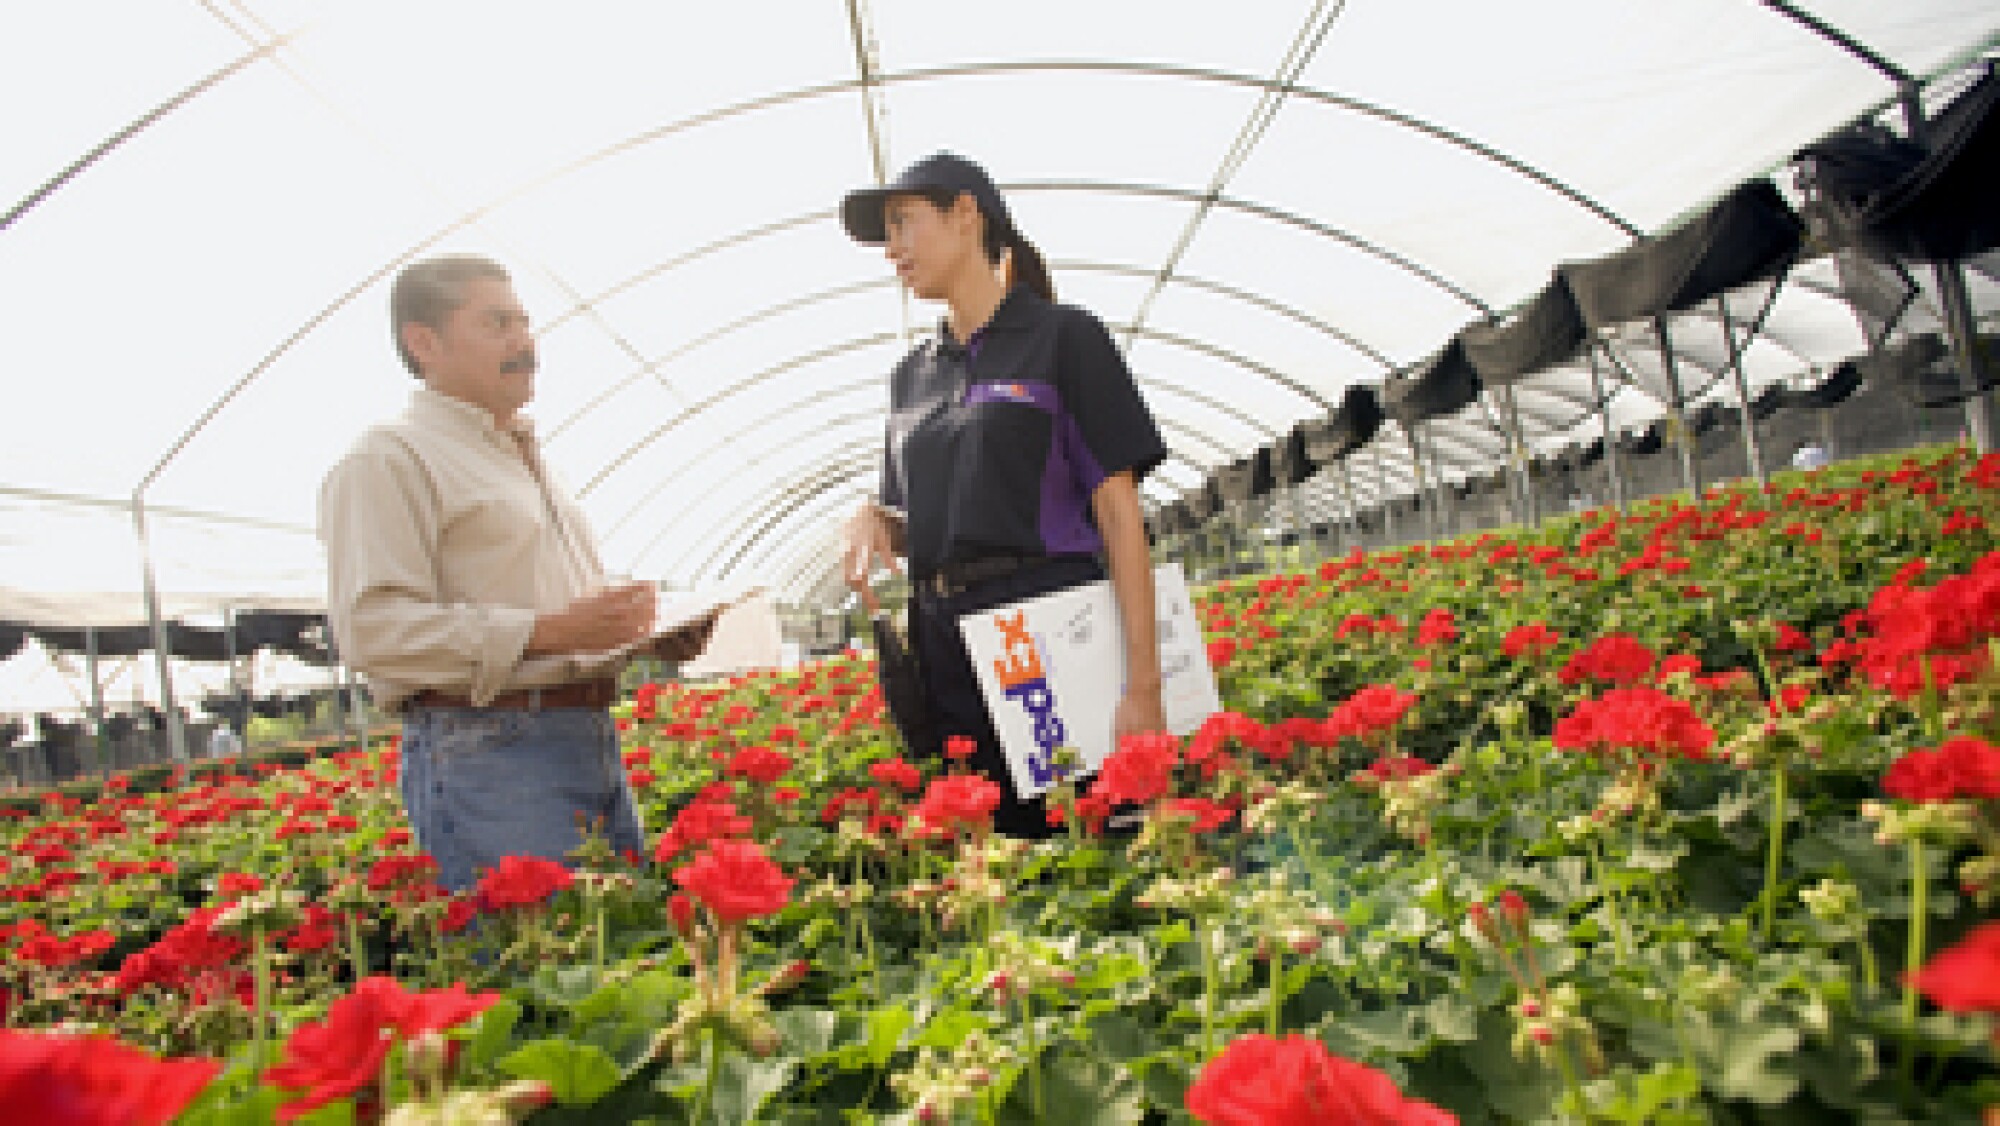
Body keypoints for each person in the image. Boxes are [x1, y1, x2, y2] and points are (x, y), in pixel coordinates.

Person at [318, 255, 712, 891]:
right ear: (424, 343)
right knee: (542, 966)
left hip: (582, 734)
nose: (524, 342)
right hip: (488, 750)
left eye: (525, 323)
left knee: (616, 949)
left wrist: (639, 634)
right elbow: (372, 630)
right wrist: (550, 632)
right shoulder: (387, 459)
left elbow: (558, 618)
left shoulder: (525, 459)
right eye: (497, 323)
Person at [838, 153, 1170, 838]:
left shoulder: (1063, 339)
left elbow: (1118, 515)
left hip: (1047, 629)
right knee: (995, 858)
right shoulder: (912, 377)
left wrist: (1143, 686)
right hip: (946, 649)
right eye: (886, 233)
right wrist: (876, 519)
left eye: (903, 223)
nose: (893, 249)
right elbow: (929, 522)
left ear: (967, 214)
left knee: (1086, 842)